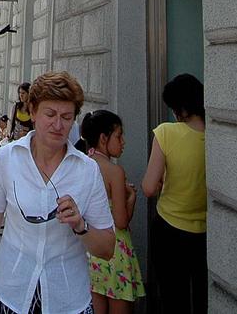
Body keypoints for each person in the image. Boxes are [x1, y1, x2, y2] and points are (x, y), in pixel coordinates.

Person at [0, 71, 115, 314]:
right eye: (50, 114)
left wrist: (80, 224)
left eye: (66, 117)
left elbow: (107, 249)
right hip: (9, 290)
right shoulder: (6, 159)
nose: (58, 125)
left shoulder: (87, 171)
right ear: (33, 112)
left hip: (66, 299)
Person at [141, 74, 206, 314]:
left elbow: (148, 187)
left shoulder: (167, 133)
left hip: (170, 228)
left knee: (173, 297)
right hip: (204, 232)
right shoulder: (216, 136)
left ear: (180, 107)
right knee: (201, 295)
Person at [78, 110, 145, 312]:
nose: (123, 141)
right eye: (119, 135)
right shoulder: (114, 172)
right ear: (103, 138)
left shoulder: (83, 164)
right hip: (115, 251)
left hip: (90, 248)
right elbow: (121, 221)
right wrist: (131, 198)